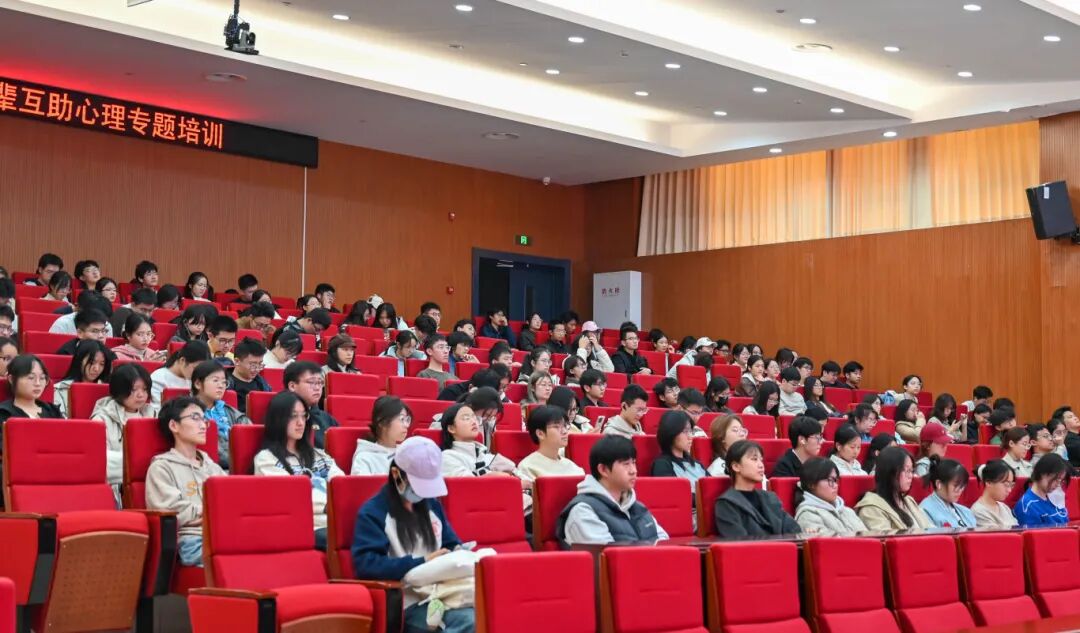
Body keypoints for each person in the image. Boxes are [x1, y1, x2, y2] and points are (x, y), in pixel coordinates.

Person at [351, 436, 475, 633]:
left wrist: (458, 552)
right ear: (396, 474)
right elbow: (367, 564)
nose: (422, 494)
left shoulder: (431, 505)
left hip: (445, 591)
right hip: (409, 600)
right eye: (417, 485)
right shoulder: (373, 512)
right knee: (469, 622)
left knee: (492, 612)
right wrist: (422, 562)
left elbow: (450, 543)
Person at [254, 391, 343, 549]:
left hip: (335, 520)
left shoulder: (319, 455)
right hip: (306, 527)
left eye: (304, 416)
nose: (301, 423)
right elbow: (291, 498)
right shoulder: (266, 459)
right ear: (278, 420)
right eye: (293, 416)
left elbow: (340, 484)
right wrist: (332, 506)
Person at [145, 397, 224, 567]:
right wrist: (212, 512)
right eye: (195, 418)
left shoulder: (212, 467)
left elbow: (231, 504)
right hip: (191, 541)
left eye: (204, 420)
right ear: (174, 425)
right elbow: (173, 512)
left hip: (221, 535)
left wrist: (203, 514)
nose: (203, 425)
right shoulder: (162, 467)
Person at [557, 435, 669, 546]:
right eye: (626, 464)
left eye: (634, 463)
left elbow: (664, 543)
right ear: (603, 470)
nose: (633, 471)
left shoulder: (637, 507)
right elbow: (607, 555)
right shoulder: (583, 512)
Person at [714, 440, 800, 537]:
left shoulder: (770, 498)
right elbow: (738, 541)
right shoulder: (727, 503)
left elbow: (794, 530)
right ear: (736, 466)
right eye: (754, 459)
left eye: (761, 460)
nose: (761, 465)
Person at [92, 363, 156, 486]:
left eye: (144, 389)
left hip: (150, 481)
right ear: (119, 390)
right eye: (134, 390)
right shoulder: (101, 419)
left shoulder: (152, 415)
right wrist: (142, 463)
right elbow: (100, 459)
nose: (141, 395)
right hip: (117, 485)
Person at [190, 361, 251, 470]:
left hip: (239, 467)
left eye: (224, 382)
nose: (221, 386)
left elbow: (250, 439)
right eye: (215, 380)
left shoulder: (232, 413)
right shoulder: (187, 413)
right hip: (203, 468)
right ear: (198, 384)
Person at [854, 446, 932, 531]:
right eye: (907, 471)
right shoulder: (870, 508)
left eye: (912, 471)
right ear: (890, 472)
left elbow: (930, 529)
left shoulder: (908, 501)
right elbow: (885, 537)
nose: (911, 476)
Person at [439, 403, 518, 482]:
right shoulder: (447, 457)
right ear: (451, 428)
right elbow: (466, 485)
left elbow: (517, 473)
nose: (474, 421)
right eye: (466, 418)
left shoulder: (486, 456)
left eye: (475, 417)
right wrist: (493, 476)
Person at [0, 355, 65, 445]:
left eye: (42, 378)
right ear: (11, 379)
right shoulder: (3, 413)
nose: (38, 383)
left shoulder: (52, 411)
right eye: (31, 378)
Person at [794, 457, 867, 536]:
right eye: (830, 480)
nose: (835, 486)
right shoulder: (807, 516)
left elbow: (869, 536)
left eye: (835, 480)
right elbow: (826, 543)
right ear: (811, 484)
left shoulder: (848, 511)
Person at [516, 405, 585, 481]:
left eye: (565, 426)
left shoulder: (571, 465)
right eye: (556, 427)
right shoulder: (528, 466)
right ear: (540, 434)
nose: (565, 431)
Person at [284, 361, 339, 449]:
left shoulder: (327, 418)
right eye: (311, 382)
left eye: (320, 383)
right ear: (292, 386)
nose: (317, 388)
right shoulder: (281, 416)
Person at [351, 396, 411, 475]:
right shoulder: (364, 458)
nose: (406, 425)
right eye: (402, 419)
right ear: (382, 422)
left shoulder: (408, 454)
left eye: (407, 420)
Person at [650, 411, 708, 489]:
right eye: (685, 431)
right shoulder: (662, 464)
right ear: (671, 433)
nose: (690, 436)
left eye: (691, 431)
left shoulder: (698, 464)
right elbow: (673, 493)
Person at [53, 340, 111, 417]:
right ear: (80, 360)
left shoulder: (107, 390)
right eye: (92, 362)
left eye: (102, 364)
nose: (96, 369)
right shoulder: (60, 389)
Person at [1014, 453, 1070, 527]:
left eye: (1061, 481)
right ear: (1042, 474)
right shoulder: (1027, 505)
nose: (1058, 484)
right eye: (1056, 479)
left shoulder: (1055, 498)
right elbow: (1033, 533)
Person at [918, 458, 976, 528]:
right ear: (939, 484)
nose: (960, 490)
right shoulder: (925, 510)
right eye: (956, 485)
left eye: (962, 486)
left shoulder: (966, 512)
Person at [150, 341, 211, 406]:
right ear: (182, 360)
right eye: (195, 368)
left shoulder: (197, 380)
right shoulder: (158, 379)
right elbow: (156, 409)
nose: (199, 373)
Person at [227, 338, 271, 414]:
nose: (257, 369)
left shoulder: (262, 384)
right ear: (237, 361)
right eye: (253, 364)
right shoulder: (226, 385)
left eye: (260, 364)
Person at [972, 460, 1019, 528]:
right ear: (988, 482)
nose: (1009, 490)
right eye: (1006, 484)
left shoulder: (1004, 507)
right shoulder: (979, 512)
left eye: (1011, 485)